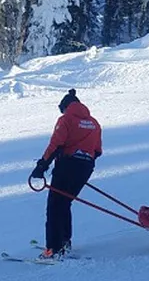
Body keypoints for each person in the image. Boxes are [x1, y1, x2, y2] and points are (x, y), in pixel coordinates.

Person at [31, 89, 103, 259]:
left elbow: (56, 144)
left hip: (67, 166)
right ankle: (64, 242)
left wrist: (42, 166)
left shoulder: (66, 120)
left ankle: (53, 250)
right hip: (86, 167)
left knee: (55, 207)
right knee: (65, 203)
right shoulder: (94, 123)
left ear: (65, 107)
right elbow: (98, 150)